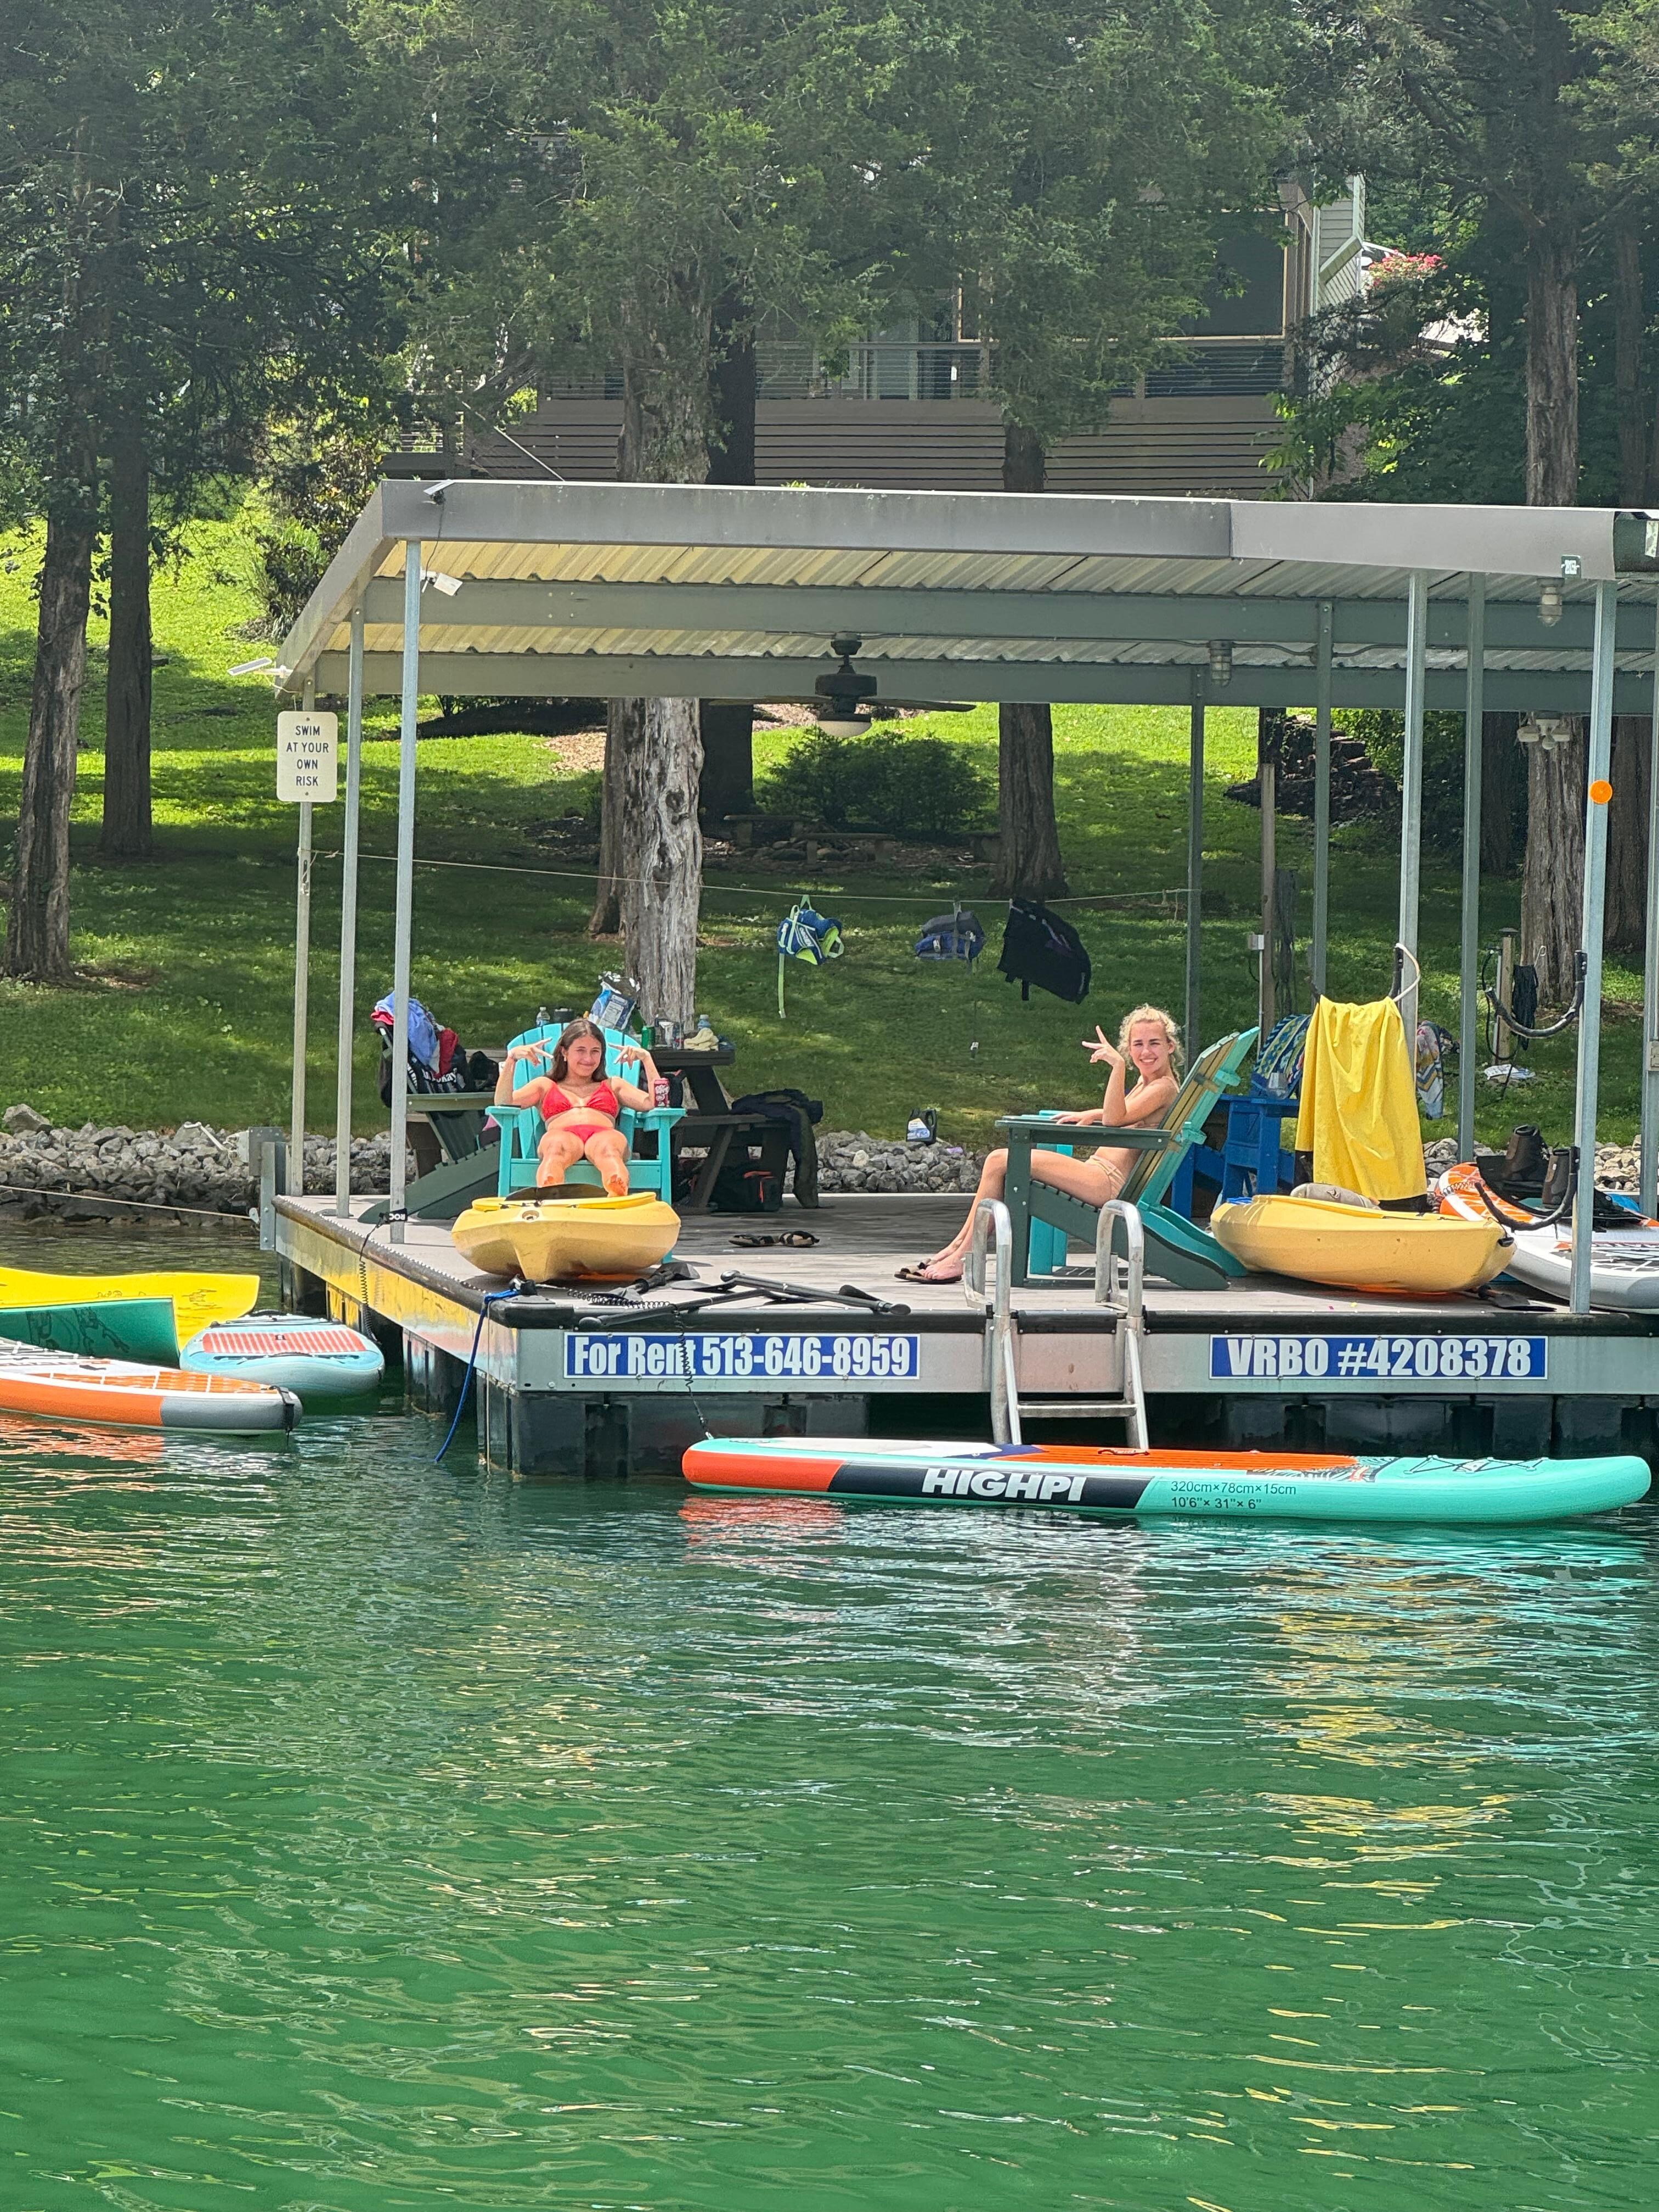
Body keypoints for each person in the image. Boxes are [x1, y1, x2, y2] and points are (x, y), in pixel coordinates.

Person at [899, 1005, 1183, 1284]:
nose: (1146, 1052)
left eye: (1154, 1043)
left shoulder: (1163, 1087)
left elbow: (1115, 1119)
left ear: (1170, 1046)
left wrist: (1117, 1066)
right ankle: (958, 1247)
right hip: (1098, 1174)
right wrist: (1093, 1113)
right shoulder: (1149, 1083)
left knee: (1000, 1160)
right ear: (1130, 1047)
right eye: (1138, 1044)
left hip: (1106, 1182)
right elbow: (1125, 1115)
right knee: (1000, 1163)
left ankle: (964, 1256)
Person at [493, 1017, 663, 1195]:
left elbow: (654, 1102)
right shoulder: (545, 1086)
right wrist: (512, 1059)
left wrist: (646, 1059)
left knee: (609, 1150)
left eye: (595, 1051)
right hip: (562, 1137)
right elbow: (504, 1101)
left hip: (603, 1136)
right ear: (564, 1052)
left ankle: (616, 1189)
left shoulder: (613, 1085)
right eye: (581, 1050)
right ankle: (550, 1193)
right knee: (555, 1148)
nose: (588, 1059)